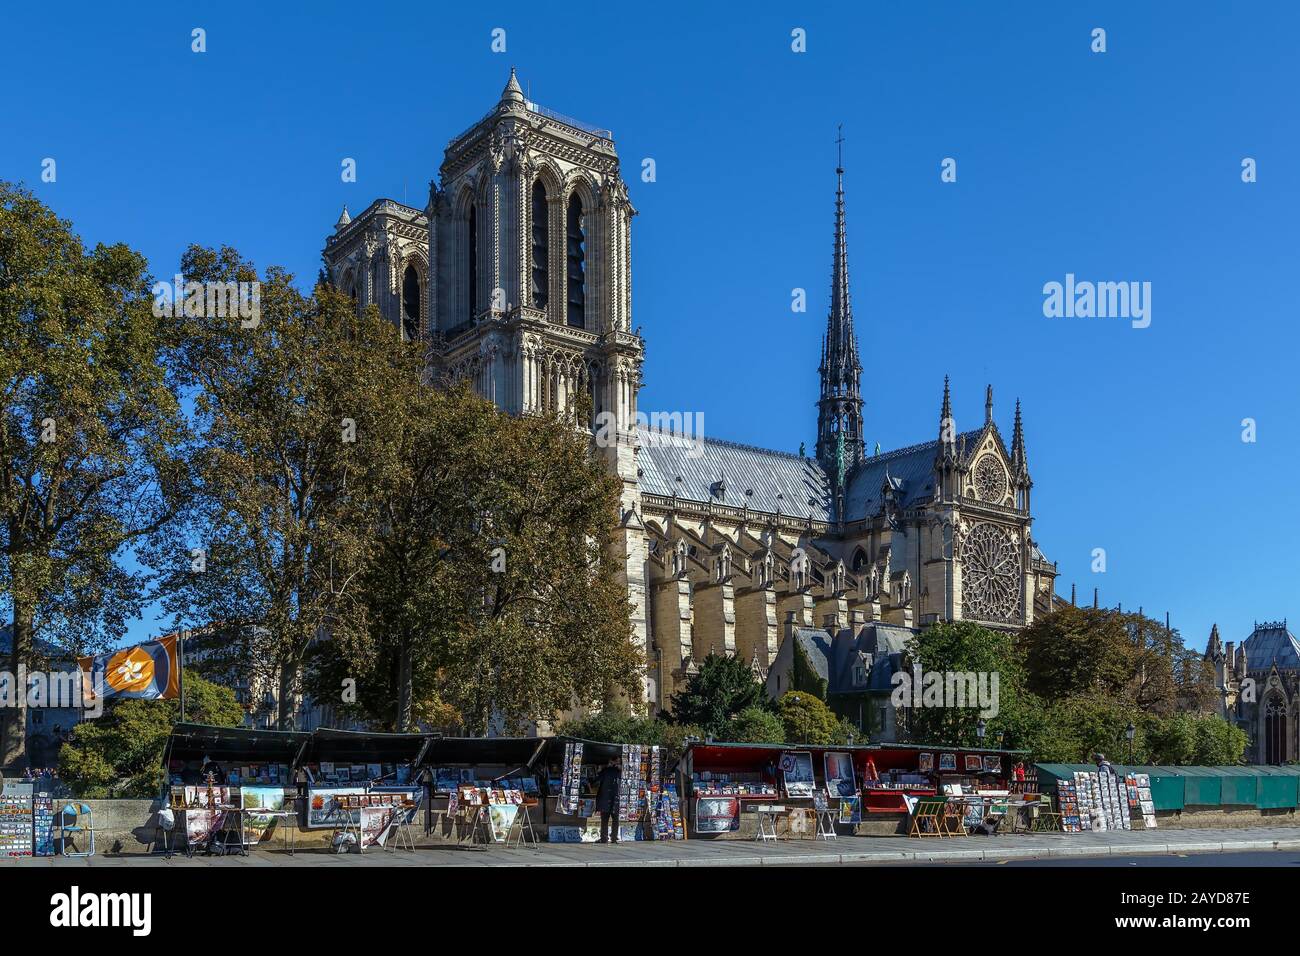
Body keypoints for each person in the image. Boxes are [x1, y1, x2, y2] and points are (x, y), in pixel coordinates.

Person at [594, 758, 622, 844]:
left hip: (605, 798)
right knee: (615, 819)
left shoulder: (605, 771)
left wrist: (598, 771)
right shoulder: (619, 773)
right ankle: (614, 838)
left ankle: (604, 838)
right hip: (616, 798)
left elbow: (596, 781)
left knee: (604, 820)